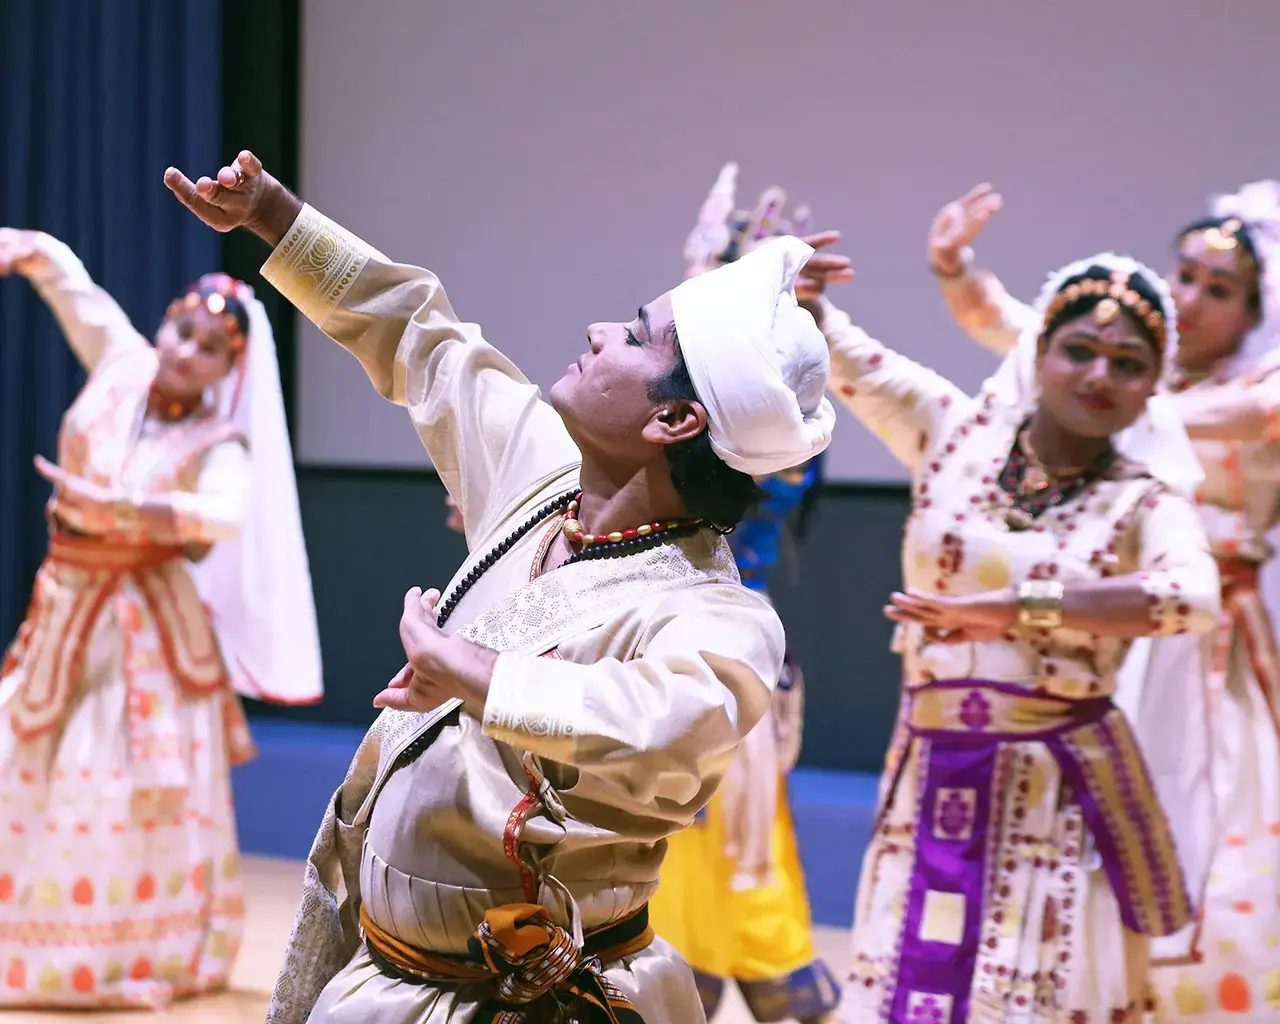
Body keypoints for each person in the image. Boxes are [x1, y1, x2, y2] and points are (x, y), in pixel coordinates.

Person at [163, 150, 846, 1024]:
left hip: (545, 1002)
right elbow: (422, 335)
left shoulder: (714, 610)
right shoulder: (544, 478)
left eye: (634, 337)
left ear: (673, 419)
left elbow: (671, 717)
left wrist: (477, 676)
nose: (600, 331)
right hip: (390, 978)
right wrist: (276, 218)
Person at [812, 245, 1220, 1021]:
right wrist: (808, 304)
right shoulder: (953, 433)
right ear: (1039, 352)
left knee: (1030, 984)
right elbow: (844, 351)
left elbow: (1190, 596)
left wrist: (1016, 610)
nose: (1099, 377)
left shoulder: (1143, 500)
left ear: (1152, 389)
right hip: (930, 768)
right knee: (909, 972)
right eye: (1079, 351)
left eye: (1128, 364)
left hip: (1057, 786)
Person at [930, 181, 1280, 1019]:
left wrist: (1106, 381)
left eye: (1219, 290)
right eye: (1186, 275)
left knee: (1217, 806)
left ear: (1253, 309)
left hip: (1211, 635)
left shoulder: (1260, 387)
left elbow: (1238, 415)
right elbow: (1012, 328)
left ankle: (1200, 995)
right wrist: (954, 264)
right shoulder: (1132, 369)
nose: (1191, 298)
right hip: (1100, 628)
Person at [0, 229, 321, 1009]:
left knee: (125, 782)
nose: (187, 352)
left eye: (211, 347)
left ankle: (112, 955)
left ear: (228, 368)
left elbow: (225, 516)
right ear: (161, 328)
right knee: (22, 751)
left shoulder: (221, 440)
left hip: (144, 631)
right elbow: (74, 291)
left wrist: (132, 507)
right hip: (67, 604)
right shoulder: (119, 363)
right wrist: (30, 248)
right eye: (183, 331)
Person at [647, 163, 841, 1024]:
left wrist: (805, 330)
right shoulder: (676, 411)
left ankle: (747, 974)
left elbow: (771, 477)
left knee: (730, 841)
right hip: (666, 650)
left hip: (717, 656)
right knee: (677, 847)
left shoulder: (756, 434)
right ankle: (695, 973)